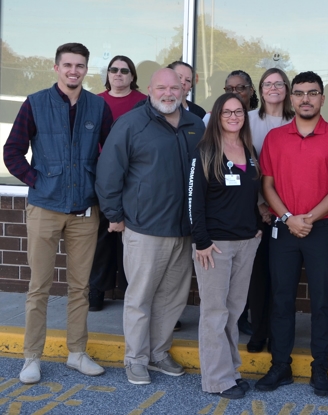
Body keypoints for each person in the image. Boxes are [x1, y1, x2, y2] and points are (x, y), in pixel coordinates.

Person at [3, 42, 113, 384]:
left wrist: (100, 188)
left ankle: (77, 353)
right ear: (56, 68)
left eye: (79, 65)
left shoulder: (98, 106)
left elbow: (111, 156)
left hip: (85, 210)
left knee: (80, 288)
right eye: (67, 65)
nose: (73, 71)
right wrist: (37, 180)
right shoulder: (35, 103)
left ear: (86, 70)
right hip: (44, 208)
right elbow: (12, 151)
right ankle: (31, 358)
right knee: (39, 287)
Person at [95, 68, 205, 385]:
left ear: (184, 90)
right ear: (149, 89)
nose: (168, 93)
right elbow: (109, 172)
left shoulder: (195, 125)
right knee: (140, 298)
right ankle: (135, 359)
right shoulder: (132, 123)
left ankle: (158, 353)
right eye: (161, 88)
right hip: (144, 228)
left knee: (172, 299)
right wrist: (114, 214)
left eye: (174, 87)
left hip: (183, 230)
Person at [255, 71, 328, 397]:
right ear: (291, 98)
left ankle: (320, 367)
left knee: (323, 301)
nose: (306, 99)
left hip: (322, 228)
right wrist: (288, 218)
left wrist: (308, 219)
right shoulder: (275, 138)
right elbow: (267, 185)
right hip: (284, 228)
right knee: (281, 299)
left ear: (322, 99)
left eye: (312, 93)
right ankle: (280, 366)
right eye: (299, 93)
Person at [188, 93, 262, 399]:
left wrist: (257, 228)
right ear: (217, 116)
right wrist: (201, 241)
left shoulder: (249, 149)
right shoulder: (205, 151)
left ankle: (231, 371)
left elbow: (252, 194)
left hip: (246, 242)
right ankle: (217, 380)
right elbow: (193, 200)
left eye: (239, 111)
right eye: (227, 112)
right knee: (215, 313)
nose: (234, 116)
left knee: (233, 312)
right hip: (215, 245)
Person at [89, 55, 147, 312]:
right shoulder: (95, 102)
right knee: (102, 237)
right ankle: (97, 289)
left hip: (134, 179)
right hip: (103, 178)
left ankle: (129, 291)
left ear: (132, 76)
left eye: (124, 70)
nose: (119, 74)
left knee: (131, 239)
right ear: (108, 74)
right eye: (114, 69)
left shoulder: (144, 103)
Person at [244, 67, 295, 353]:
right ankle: (258, 331)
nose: (273, 88)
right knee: (258, 275)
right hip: (254, 210)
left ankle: (279, 333)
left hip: (287, 212)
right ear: (260, 90)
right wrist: (261, 204)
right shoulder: (248, 120)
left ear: (287, 89)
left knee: (282, 277)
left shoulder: (297, 121)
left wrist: (278, 208)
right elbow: (243, 167)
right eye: (267, 84)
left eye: (279, 84)